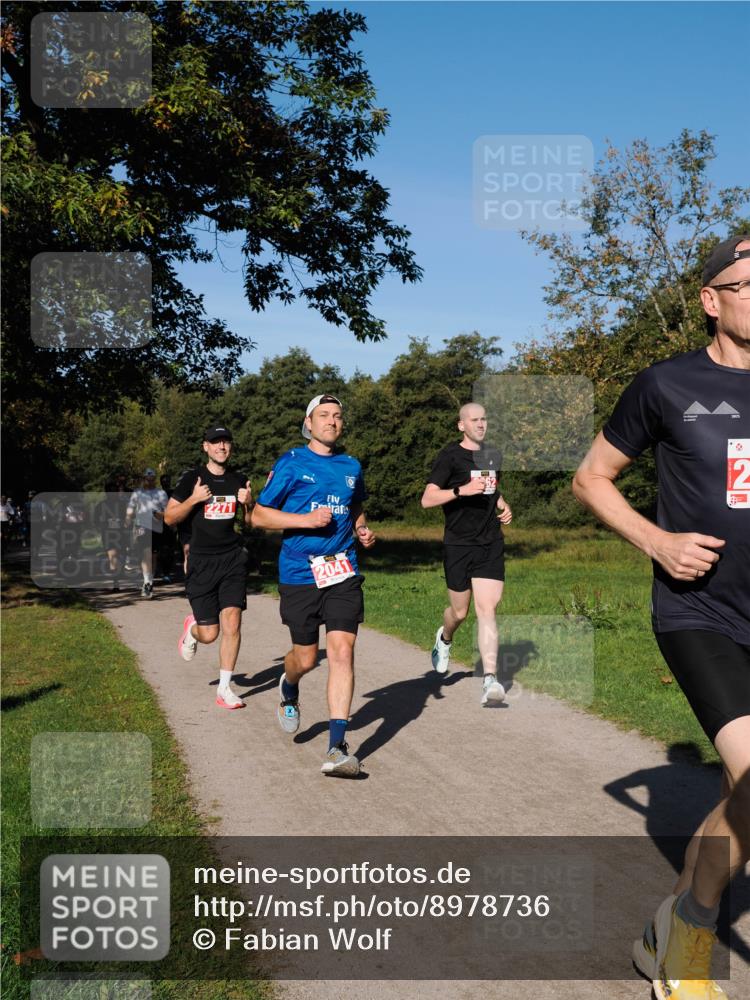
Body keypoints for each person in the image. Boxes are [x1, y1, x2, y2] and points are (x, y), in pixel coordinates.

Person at [572, 235, 750, 1000]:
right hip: (700, 611)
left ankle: (670, 920)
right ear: (712, 300)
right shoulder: (668, 384)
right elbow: (592, 478)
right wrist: (658, 541)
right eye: (747, 283)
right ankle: (692, 938)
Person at [252, 394, 376, 776]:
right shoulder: (291, 462)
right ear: (309, 422)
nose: (332, 421)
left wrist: (360, 528)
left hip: (342, 571)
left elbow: (355, 505)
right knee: (305, 658)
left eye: (337, 416)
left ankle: (337, 747)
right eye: (324, 415)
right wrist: (306, 521)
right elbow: (258, 516)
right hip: (300, 573)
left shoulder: (351, 465)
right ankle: (288, 685)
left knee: (342, 652)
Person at [421, 403, 513, 705]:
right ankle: (445, 637)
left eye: (484, 418)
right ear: (461, 425)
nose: (481, 424)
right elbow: (427, 499)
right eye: (474, 420)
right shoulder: (450, 456)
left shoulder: (493, 454)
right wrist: (461, 490)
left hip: (489, 542)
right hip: (458, 545)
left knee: (487, 609)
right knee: (459, 612)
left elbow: (491, 487)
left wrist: (501, 504)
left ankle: (489, 680)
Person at [165, 427, 253, 710]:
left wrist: (249, 506)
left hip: (232, 559)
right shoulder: (192, 479)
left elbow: (251, 523)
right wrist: (193, 499)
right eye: (216, 442)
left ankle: (225, 689)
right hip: (202, 562)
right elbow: (168, 518)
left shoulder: (239, 480)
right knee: (210, 633)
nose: (222, 446)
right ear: (205, 447)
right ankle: (192, 629)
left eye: (226, 441)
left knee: (233, 622)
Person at [125, 469, 169, 599]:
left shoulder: (161, 493)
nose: (149, 481)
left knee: (153, 556)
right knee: (145, 553)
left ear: (155, 479)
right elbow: (130, 508)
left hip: (156, 528)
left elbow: (167, 512)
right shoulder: (137, 492)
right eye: (146, 479)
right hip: (141, 526)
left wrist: (159, 515)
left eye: (151, 479)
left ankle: (149, 581)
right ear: (143, 479)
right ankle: (147, 582)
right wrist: (127, 520)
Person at [95, 477, 130, 591]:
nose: (113, 493)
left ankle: (119, 573)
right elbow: (96, 520)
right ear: (106, 492)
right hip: (108, 534)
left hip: (122, 533)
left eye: (114, 491)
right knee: (112, 556)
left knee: (122, 554)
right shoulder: (101, 505)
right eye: (110, 491)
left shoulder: (123, 504)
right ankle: (116, 582)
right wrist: (102, 527)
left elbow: (129, 518)